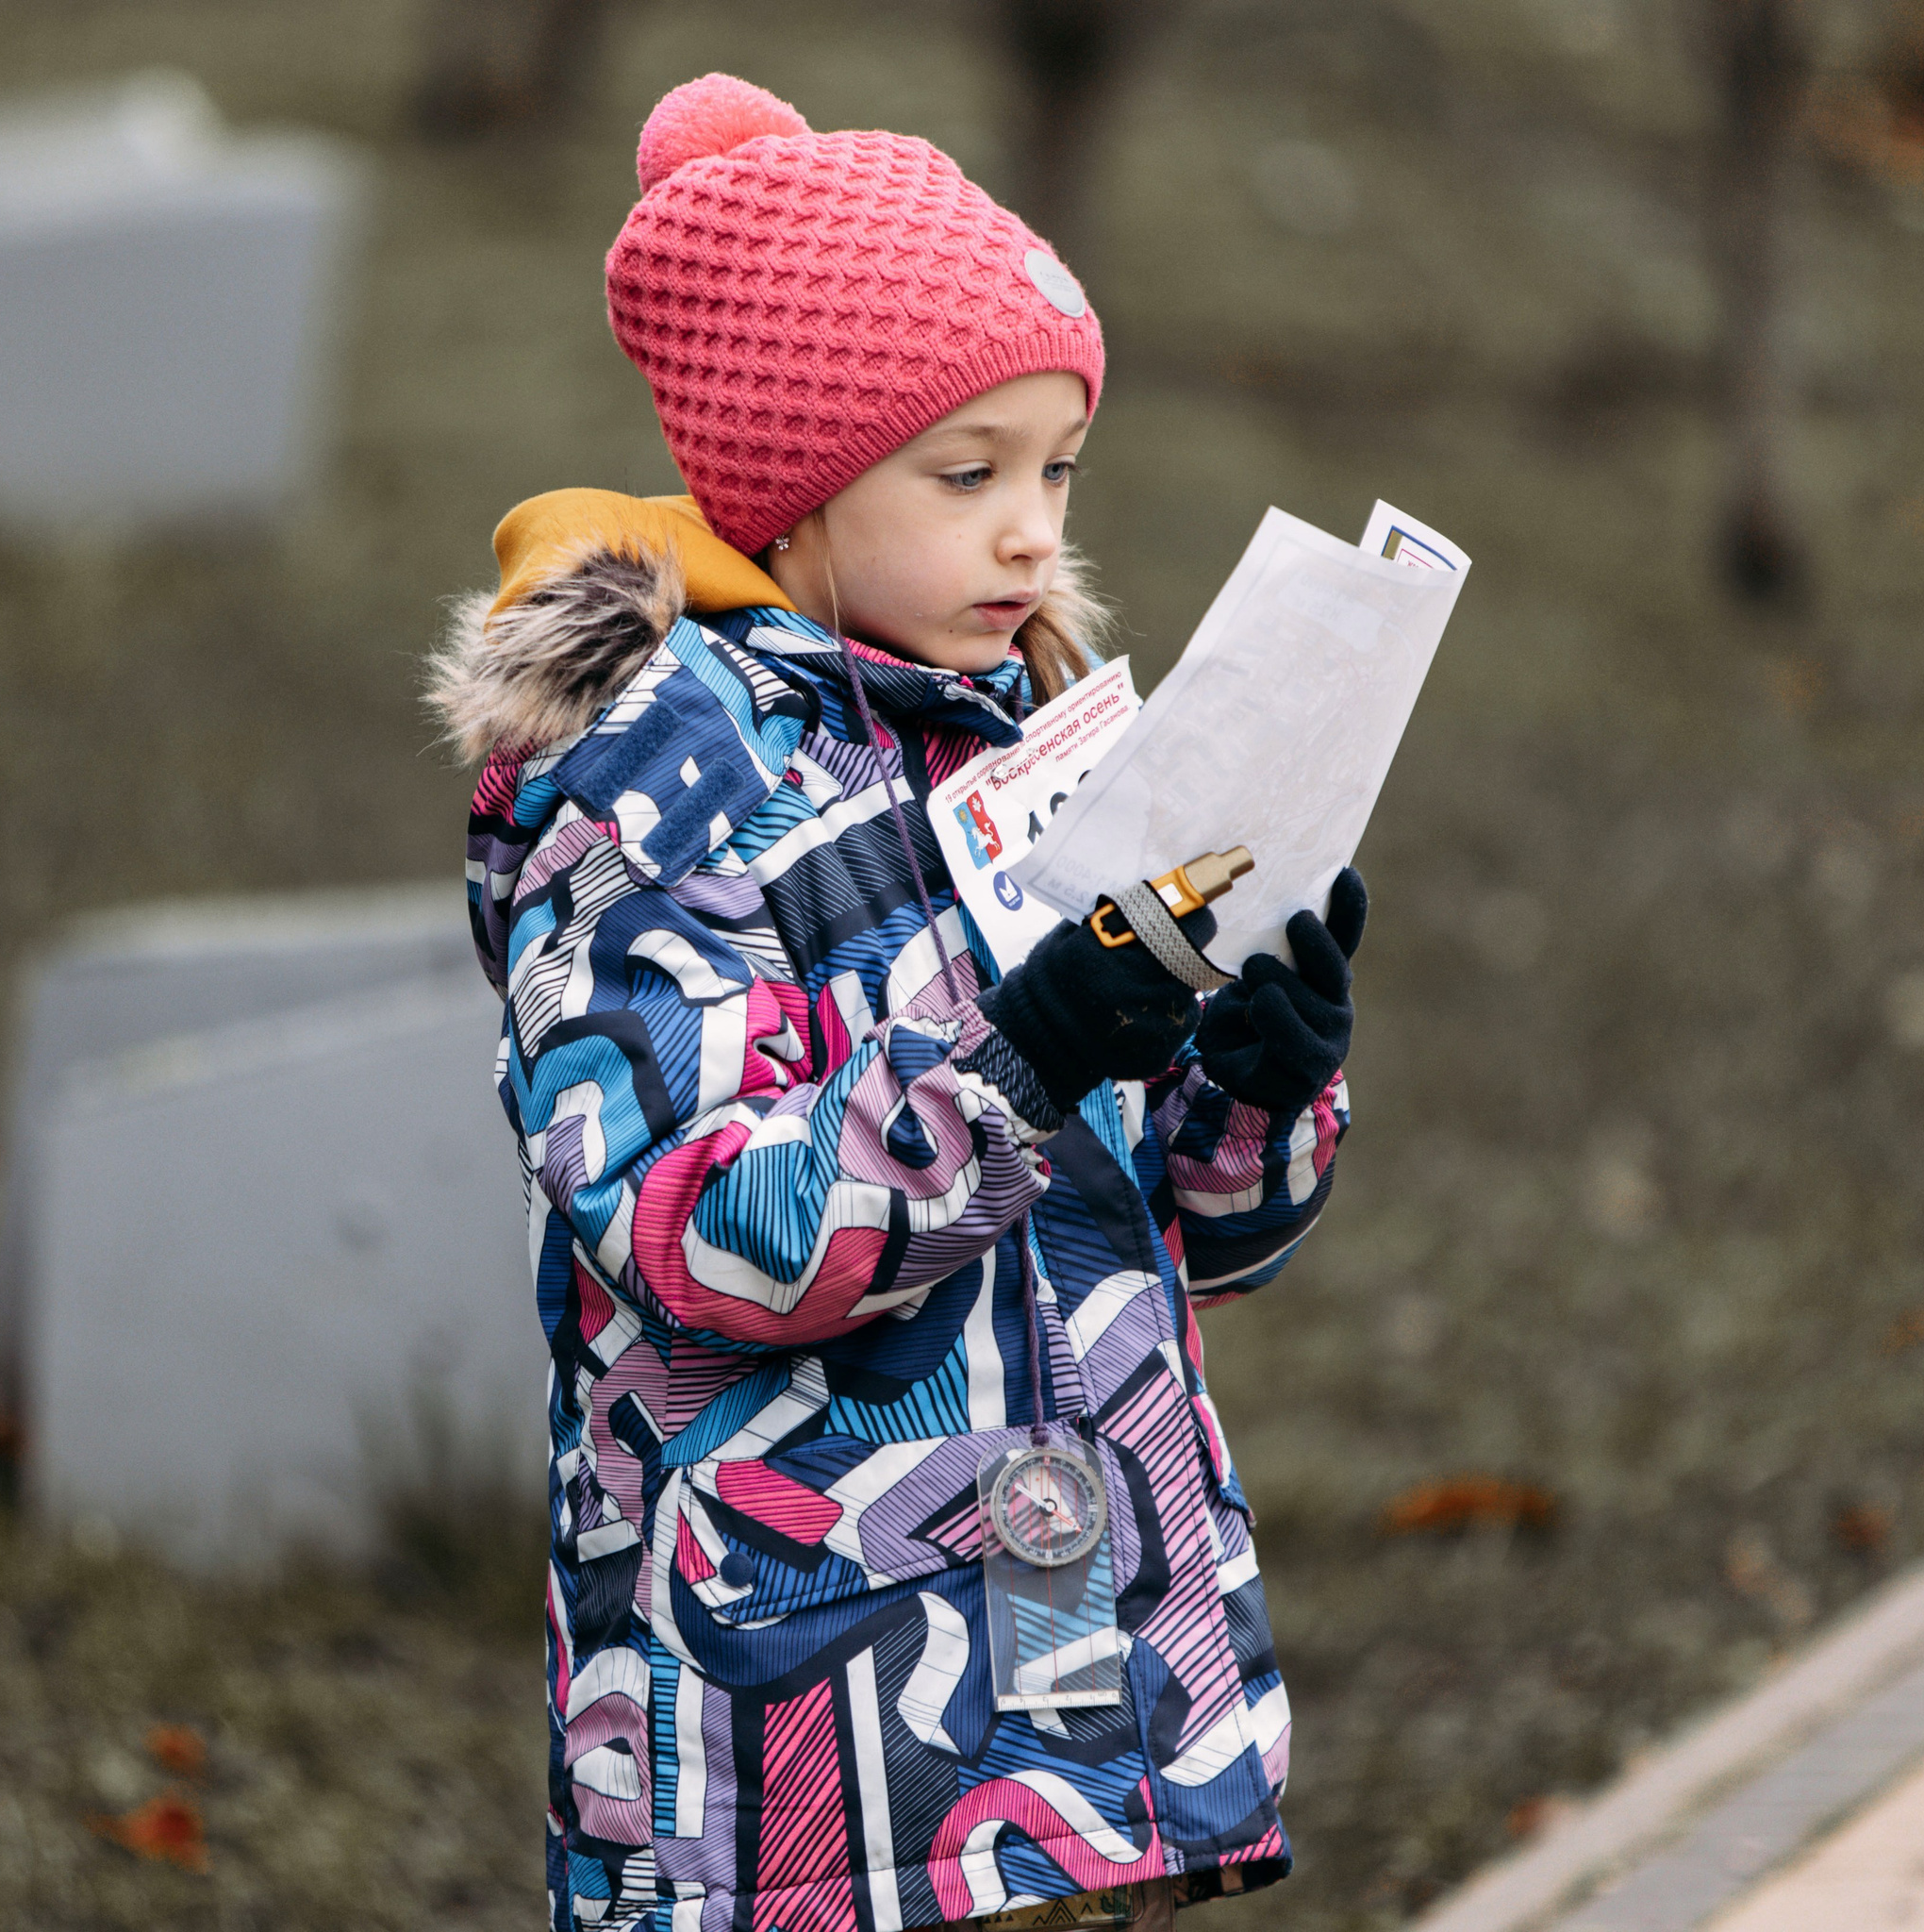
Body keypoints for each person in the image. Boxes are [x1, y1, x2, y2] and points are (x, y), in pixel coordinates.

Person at [426, 72, 1368, 1932]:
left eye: (1054, 471)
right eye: (968, 474)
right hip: (799, 1735)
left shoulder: (1032, 737)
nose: (1031, 536)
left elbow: (1148, 1231)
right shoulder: (647, 782)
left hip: (1058, 1691)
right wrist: (1030, 1049)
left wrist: (1252, 1089)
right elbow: (705, 1227)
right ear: (794, 480)